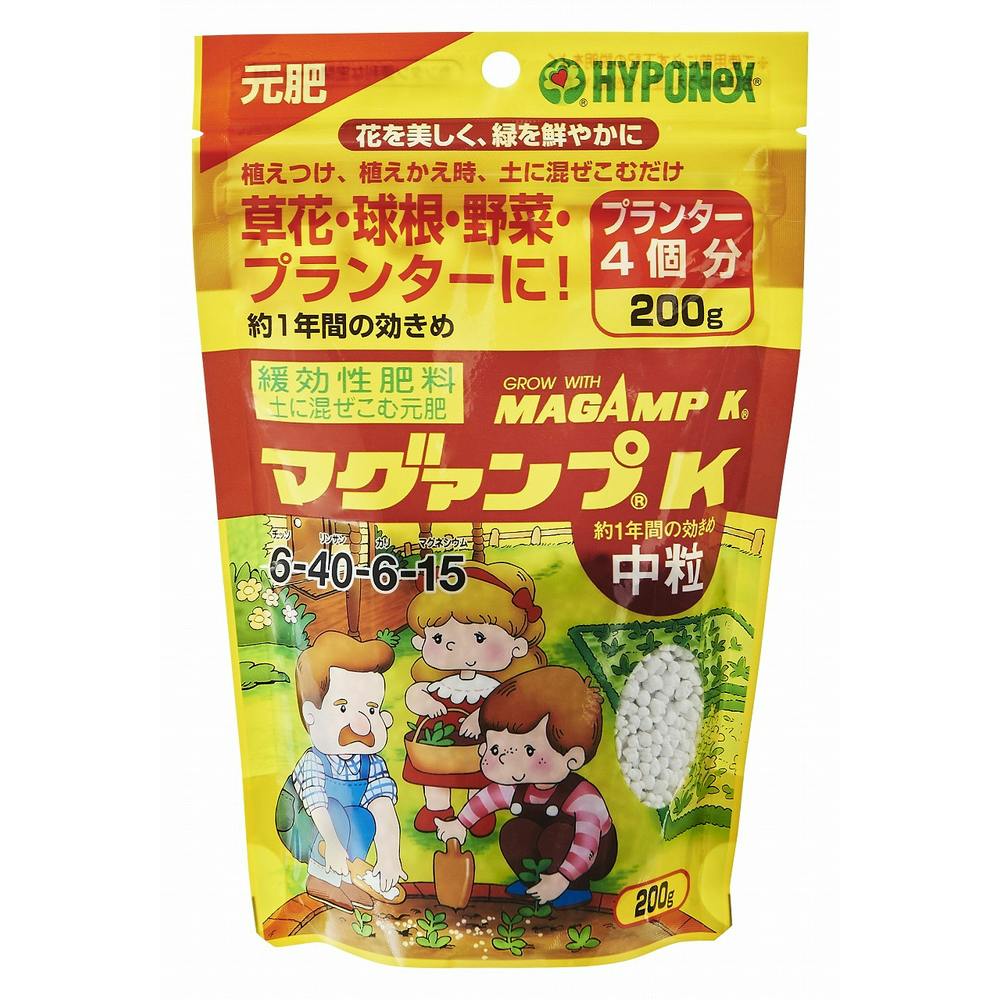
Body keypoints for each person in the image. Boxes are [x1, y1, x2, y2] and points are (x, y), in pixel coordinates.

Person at [434, 666, 617, 910]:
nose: (503, 758)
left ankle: (575, 888)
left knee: (559, 834)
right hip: (549, 845)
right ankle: (532, 881)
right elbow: (487, 799)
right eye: (496, 748)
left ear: (572, 758)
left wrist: (563, 877)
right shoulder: (519, 786)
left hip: (592, 856)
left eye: (529, 750)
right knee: (514, 832)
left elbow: (587, 845)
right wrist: (460, 824)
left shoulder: (583, 798)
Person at [403, 561, 546, 835]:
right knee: (434, 777)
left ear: (516, 647)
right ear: (421, 642)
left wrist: (481, 718)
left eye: (479, 637)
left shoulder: (496, 690)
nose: (453, 645)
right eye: (439, 637)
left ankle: (478, 810)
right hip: (434, 747)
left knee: (482, 773)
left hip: (481, 744)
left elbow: (505, 710)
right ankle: (436, 808)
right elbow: (415, 694)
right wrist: (425, 701)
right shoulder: (441, 685)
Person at [289, 631, 406, 910]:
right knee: (334, 811)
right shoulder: (314, 761)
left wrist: (390, 856)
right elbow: (315, 804)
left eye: (371, 709)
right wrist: (332, 843)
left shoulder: (372, 764)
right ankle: (319, 877)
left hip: (343, 831)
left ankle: (345, 876)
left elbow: (383, 806)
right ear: (311, 715)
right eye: (342, 708)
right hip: (304, 823)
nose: (361, 724)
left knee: (364, 817)